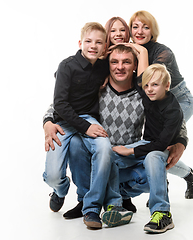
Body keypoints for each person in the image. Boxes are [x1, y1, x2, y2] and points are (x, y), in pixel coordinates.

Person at [43, 45, 189, 220]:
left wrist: (181, 140)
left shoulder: (146, 91)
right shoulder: (96, 88)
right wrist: (48, 121)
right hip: (94, 161)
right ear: (107, 65)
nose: (120, 67)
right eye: (114, 62)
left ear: (135, 65)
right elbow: (60, 105)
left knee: (152, 171)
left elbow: (171, 114)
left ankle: (116, 198)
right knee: (75, 142)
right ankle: (88, 198)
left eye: (126, 62)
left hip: (125, 160)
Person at [42, 22, 132, 229]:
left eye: (99, 43)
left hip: (89, 119)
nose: (93, 46)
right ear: (80, 43)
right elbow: (60, 104)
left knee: (104, 148)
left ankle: (91, 208)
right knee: (54, 175)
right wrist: (81, 127)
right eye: (89, 41)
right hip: (63, 122)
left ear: (104, 47)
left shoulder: (103, 65)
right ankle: (60, 190)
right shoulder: (67, 66)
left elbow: (119, 57)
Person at [128, 11, 193, 198]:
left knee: (160, 148)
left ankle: (172, 181)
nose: (140, 31)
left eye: (145, 27)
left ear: (153, 31)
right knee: (157, 148)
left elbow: (145, 84)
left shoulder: (163, 53)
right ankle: (184, 176)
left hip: (179, 101)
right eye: (135, 26)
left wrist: (143, 52)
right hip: (154, 106)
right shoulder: (131, 51)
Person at [111, 63, 184, 233]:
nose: (149, 89)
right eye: (147, 85)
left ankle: (162, 212)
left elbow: (160, 144)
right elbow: (136, 80)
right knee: (111, 157)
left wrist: (130, 151)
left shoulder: (173, 110)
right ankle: (115, 202)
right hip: (146, 142)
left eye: (155, 85)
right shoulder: (147, 95)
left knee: (152, 157)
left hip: (162, 147)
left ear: (167, 85)